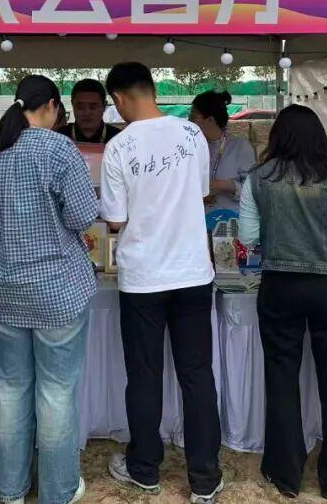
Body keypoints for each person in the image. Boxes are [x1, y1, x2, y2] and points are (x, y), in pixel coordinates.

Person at [100, 62, 224, 504]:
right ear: (152, 89)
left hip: (143, 278)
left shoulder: (119, 146)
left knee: (144, 375)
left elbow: (115, 219)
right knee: (197, 375)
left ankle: (145, 468)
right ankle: (205, 478)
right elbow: (203, 191)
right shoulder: (193, 135)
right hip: (192, 273)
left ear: (118, 98)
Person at [0, 75, 98, 504]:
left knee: (11, 391)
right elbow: (83, 216)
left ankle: (11, 489)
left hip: (5, 287)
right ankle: (58, 490)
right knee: (56, 392)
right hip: (56, 290)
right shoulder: (58, 148)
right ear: (49, 106)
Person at [238, 104, 327, 500]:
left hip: (280, 285)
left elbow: (248, 236)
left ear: (277, 136)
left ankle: (285, 472)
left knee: (281, 377)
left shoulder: (258, 179)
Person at [190, 89, 256, 216]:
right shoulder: (190, 147)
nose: (189, 121)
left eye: (193, 116)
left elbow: (255, 191)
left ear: (210, 120)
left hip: (230, 221)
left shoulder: (240, 147)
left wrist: (227, 186)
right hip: (198, 220)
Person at [58, 78, 121, 144]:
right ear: (72, 104)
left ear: (104, 106)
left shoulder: (119, 138)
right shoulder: (59, 138)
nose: (87, 113)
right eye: (80, 107)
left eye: (93, 107)